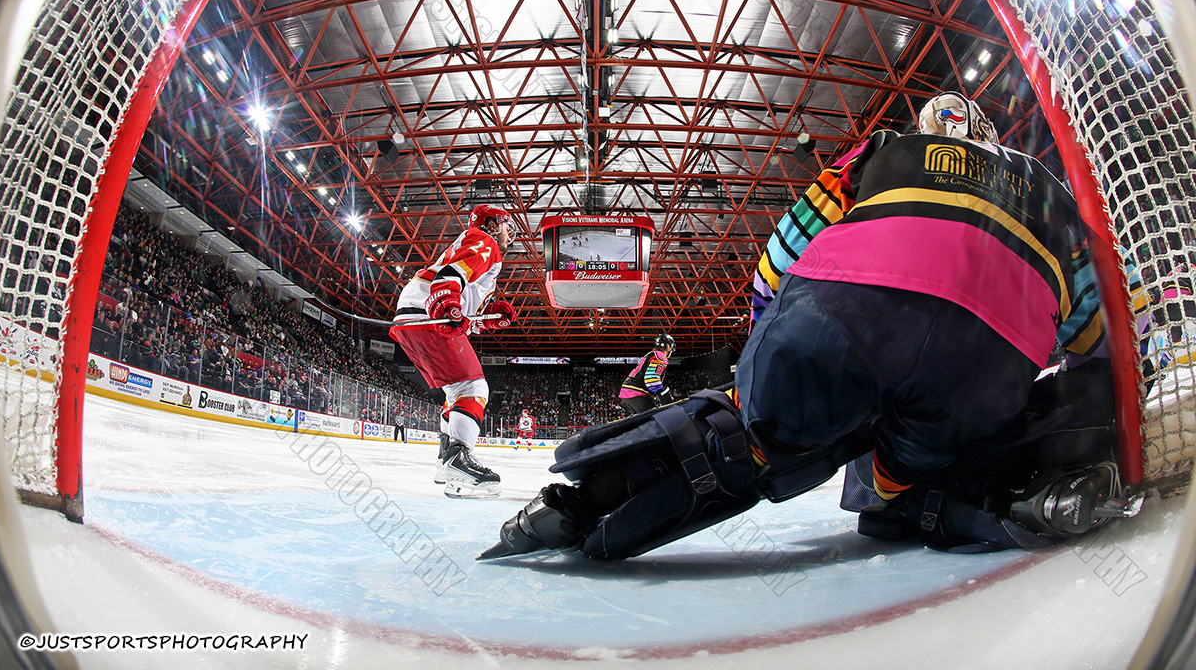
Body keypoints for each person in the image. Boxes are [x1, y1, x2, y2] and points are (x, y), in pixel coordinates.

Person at [480, 93, 1143, 560]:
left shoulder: (882, 151)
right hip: (982, 366)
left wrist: (764, 365)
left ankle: (573, 508)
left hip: (845, 312)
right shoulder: (1050, 193)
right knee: (901, 493)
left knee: (746, 440)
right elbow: (1099, 341)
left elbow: (777, 263)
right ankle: (1025, 500)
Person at [388, 205, 518, 498]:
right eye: (507, 226)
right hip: (427, 313)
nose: (511, 234)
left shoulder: (478, 245)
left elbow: (465, 315)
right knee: (472, 387)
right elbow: (452, 273)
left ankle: (444, 462)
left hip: (413, 316)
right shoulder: (485, 242)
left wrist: (488, 316)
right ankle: (458, 461)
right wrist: (445, 298)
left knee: (455, 392)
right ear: (494, 224)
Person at [617, 334, 676, 415]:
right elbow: (651, 379)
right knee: (653, 420)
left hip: (627, 393)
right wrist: (664, 396)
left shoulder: (651, 354)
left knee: (640, 424)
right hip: (637, 392)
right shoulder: (660, 356)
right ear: (668, 346)